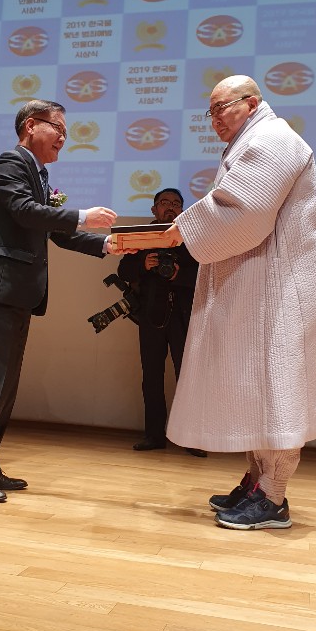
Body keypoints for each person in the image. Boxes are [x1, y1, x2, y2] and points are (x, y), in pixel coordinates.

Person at [162, 75, 316, 530]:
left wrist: (184, 228)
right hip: (261, 284)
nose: (214, 120)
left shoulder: (273, 138)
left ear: (250, 104)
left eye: (221, 108)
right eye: (209, 112)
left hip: (281, 288)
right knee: (256, 384)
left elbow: (244, 209)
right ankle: (256, 480)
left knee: (276, 384)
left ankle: (274, 495)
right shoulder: (254, 139)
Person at [0, 99, 121, 502]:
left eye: (66, 132)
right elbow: (25, 212)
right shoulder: (11, 162)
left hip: (16, 291)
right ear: (30, 126)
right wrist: (82, 215)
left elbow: (53, 231)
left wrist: (105, 245)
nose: (64, 137)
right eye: (58, 128)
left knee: (5, 386)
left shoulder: (38, 175)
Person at [117, 188, 204, 456]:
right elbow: (123, 270)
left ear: (182, 210)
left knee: (186, 378)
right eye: (164, 202)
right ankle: (154, 435)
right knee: (151, 377)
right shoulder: (142, 237)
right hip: (150, 315)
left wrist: (178, 275)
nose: (170, 207)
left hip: (183, 316)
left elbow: (204, 275)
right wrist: (143, 264)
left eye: (176, 203)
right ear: (154, 209)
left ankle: (191, 438)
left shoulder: (191, 237)